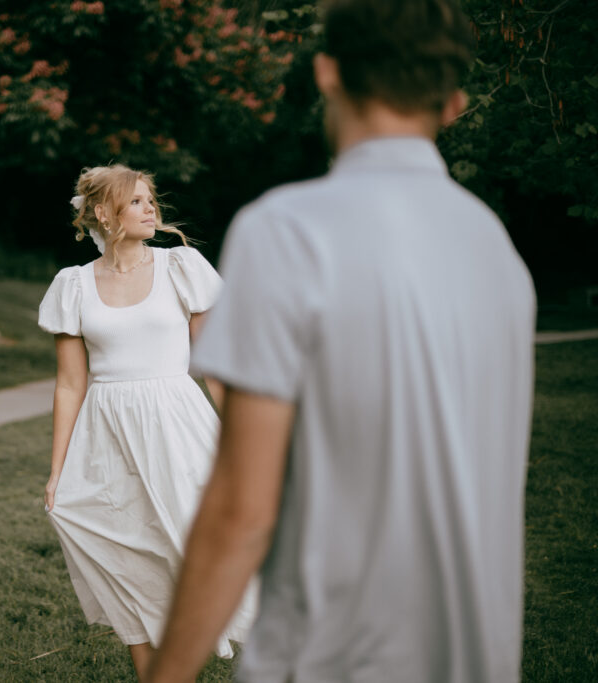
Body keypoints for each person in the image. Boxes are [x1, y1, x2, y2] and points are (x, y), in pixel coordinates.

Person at [145, 1, 536, 682]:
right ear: (453, 104)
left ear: (327, 72)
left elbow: (241, 507)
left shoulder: (286, 232)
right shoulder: (498, 254)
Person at [38, 164, 258, 679]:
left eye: (149, 199)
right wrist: (57, 470)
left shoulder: (182, 267)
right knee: (131, 564)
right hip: (106, 436)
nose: (150, 208)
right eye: (135, 201)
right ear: (101, 212)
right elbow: (70, 384)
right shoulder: (73, 285)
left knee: (198, 551)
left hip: (179, 427)